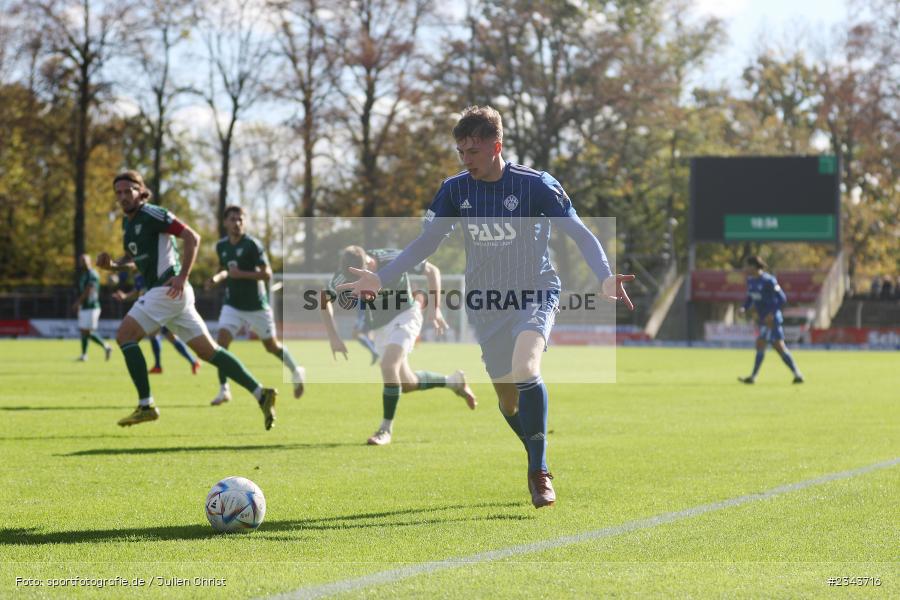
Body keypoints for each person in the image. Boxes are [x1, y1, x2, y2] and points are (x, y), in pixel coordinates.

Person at [337, 106, 634, 507]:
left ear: (496, 146)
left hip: (535, 291)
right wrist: (382, 277)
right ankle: (535, 452)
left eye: (473, 151)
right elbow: (426, 243)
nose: (466, 159)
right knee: (508, 402)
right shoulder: (454, 190)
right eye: (461, 151)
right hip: (486, 303)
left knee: (526, 368)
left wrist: (604, 275)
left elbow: (580, 233)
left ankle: (539, 471)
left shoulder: (536, 185)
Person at [96, 170, 277, 429]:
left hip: (167, 289)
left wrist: (182, 276)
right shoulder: (128, 223)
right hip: (171, 294)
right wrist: (113, 265)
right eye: (119, 193)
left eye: (128, 191)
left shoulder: (153, 214)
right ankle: (261, 393)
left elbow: (192, 237)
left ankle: (146, 405)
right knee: (209, 351)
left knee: (125, 336)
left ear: (141, 191)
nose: (123, 196)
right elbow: (133, 258)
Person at [322, 246, 476, 446]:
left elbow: (432, 271)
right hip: (379, 327)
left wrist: (435, 308)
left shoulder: (392, 258)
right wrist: (333, 337)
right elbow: (324, 299)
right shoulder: (344, 275)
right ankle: (454, 382)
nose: (358, 282)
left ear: (368, 263)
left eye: (360, 277)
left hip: (406, 315)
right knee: (407, 383)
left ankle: (385, 429)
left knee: (388, 366)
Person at [205, 205, 305, 404]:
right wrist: (216, 279)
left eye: (240, 219)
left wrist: (241, 274)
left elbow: (267, 274)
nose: (237, 223)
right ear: (225, 223)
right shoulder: (221, 245)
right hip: (232, 304)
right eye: (233, 219)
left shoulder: (252, 245)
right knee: (220, 346)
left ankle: (296, 370)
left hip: (256, 306)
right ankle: (224, 389)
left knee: (271, 347)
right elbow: (225, 269)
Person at [111, 274, 200, 375]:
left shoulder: (152, 272)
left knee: (156, 335)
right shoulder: (139, 277)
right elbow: (137, 291)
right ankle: (192, 361)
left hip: (159, 308)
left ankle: (159, 366)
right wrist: (125, 296)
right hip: (155, 309)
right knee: (169, 337)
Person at [738, 256, 804, 384]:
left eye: (747, 266)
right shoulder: (751, 281)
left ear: (753, 266)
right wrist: (744, 308)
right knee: (769, 346)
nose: (745, 269)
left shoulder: (769, 280)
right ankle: (796, 374)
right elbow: (750, 298)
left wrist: (772, 314)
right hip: (763, 320)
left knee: (771, 345)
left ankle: (754, 377)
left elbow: (782, 298)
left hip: (772, 320)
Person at [72, 254, 112, 361]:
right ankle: (84, 355)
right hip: (85, 307)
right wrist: (80, 304)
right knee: (83, 331)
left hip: (92, 307)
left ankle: (106, 346)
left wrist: (78, 302)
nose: (83, 262)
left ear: (90, 261)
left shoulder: (92, 274)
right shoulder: (84, 275)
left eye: (85, 260)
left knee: (88, 331)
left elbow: (88, 290)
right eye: (81, 261)